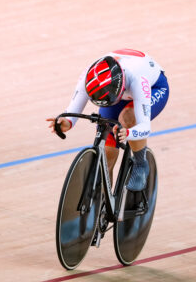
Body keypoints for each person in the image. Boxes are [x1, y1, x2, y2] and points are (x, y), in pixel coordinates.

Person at [47, 49, 169, 191]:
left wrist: (128, 133)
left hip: (154, 88)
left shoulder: (138, 80)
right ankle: (104, 200)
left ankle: (141, 164)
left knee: (127, 118)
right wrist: (67, 122)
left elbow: (144, 127)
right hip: (118, 93)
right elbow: (72, 110)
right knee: (106, 152)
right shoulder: (90, 77)